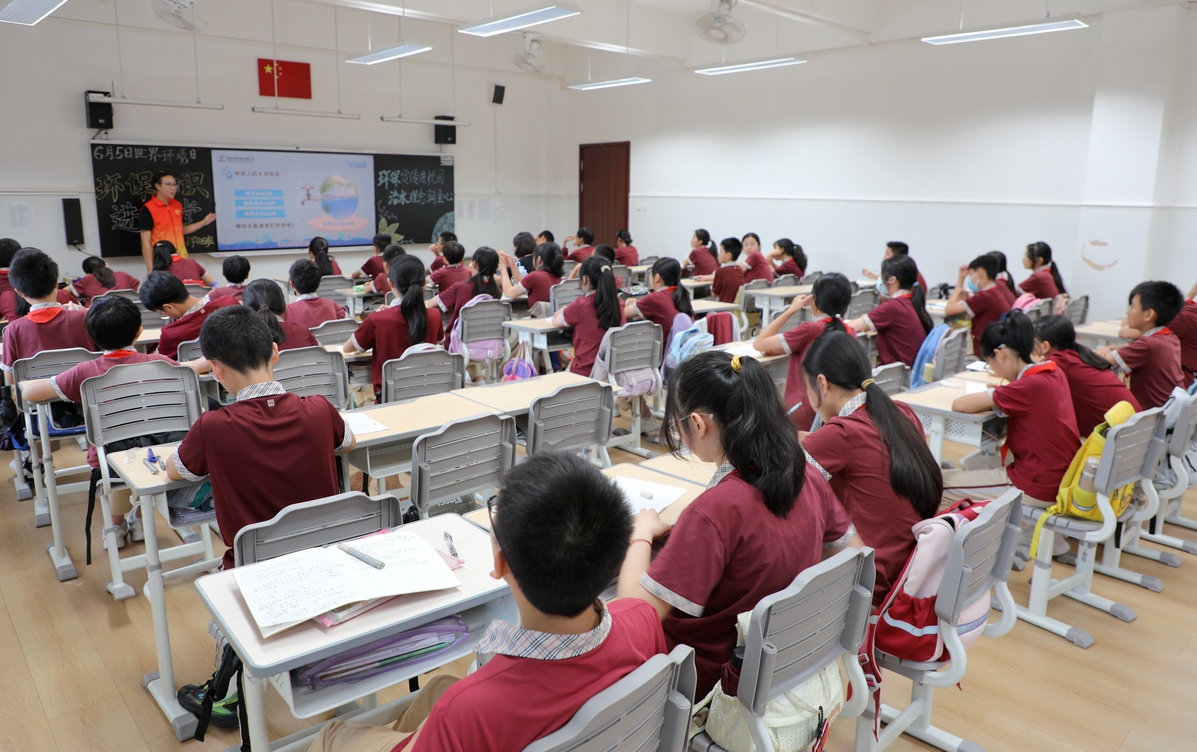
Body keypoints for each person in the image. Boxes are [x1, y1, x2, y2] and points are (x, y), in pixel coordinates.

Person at [308, 452, 667, 752]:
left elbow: (467, 714)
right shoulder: (642, 617)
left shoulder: (468, 711)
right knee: (438, 688)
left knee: (330, 735)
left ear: (499, 564)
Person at [617, 352, 857, 697]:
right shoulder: (806, 472)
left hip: (707, 678)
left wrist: (640, 534)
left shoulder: (714, 512)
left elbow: (636, 610)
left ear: (698, 424)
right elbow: (851, 552)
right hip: (777, 659)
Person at [166, 305, 353, 569]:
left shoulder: (212, 426)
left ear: (215, 369)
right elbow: (348, 442)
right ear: (275, 352)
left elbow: (175, 471)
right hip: (323, 554)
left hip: (254, 565)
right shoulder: (319, 409)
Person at [20, 294, 200, 542]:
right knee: (140, 448)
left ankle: (115, 529)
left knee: (118, 455)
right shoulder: (160, 363)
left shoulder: (86, 372)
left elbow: (30, 392)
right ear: (139, 332)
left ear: (91, 338)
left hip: (110, 459)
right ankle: (138, 517)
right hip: (163, 452)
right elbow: (190, 369)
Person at [800, 331, 942, 606]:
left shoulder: (841, 433)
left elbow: (777, 481)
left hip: (871, 579)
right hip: (909, 564)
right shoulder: (900, 412)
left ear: (821, 383)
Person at [948, 312, 1080, 557]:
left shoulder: (1027, 387)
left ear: (1000, 355)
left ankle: (972, 556)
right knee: (970, 464)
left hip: (1035, 483)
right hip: (1061, 477)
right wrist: (1001, 391)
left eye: (991, 363)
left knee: (941, 487)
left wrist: (996, 393)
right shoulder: (1052, 372)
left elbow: (960, 404)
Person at [753, 272, 855, 432]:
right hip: (831, 411)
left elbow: (759, 343)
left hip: (799, 412)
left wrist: (791, 310)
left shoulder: (810, 330)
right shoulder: (849, 331)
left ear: (815, 300)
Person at [344, 256, 443, 396]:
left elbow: (347, 348)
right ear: (424, 283)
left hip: (390, 397)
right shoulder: (434, 315)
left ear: (390, 283)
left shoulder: (377, 319)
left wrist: (384, 315)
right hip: (426, 392)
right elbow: (437, 342)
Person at [1033, 315, 1141, 438]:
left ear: (1045, 346)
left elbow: (1027, 384)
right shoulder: (1078, 354)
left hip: (1118, 439)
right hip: (1134, 432)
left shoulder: (1059, 362)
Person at [0, 248, 93, 383]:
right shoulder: (85, 318)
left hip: (38, 401)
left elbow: (11, 379)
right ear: (56, 283)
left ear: (20, 292)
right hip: (84, 394)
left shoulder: (14, 329)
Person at [1096, 280, 1186, 409]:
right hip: (1169, 415)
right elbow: (1130, 348)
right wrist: (1108, 347)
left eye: (1132, 307)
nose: (1127, 312)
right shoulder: (1169, 337)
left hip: (1152, 420)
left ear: (1148, 315)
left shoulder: (1148, 344)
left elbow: (1103, 361)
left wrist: (1102, 351)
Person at [847, 254, 932, 367]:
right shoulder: (912, 301)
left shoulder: (893, 307)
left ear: (892, 280)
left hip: (897, 373)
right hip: (907, 373)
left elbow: (851, 326)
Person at [139, 270, 238, 359]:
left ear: (169, 307)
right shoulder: (230, 303)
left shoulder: (171, 333)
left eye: (162, 312)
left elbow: (160, 362)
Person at [552, 255, 623, 377]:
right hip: (612, 374)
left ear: (584, 279)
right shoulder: (619, 304)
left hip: (584, 374)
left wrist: (565, 309)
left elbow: (556, 321)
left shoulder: (580, 305)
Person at [137, 171, 215, 270]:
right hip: (162, 261)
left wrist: (204, 222)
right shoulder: (148, 209)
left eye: (174, 184)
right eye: (168, 185)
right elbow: (145, 242)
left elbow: (180, 230)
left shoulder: (177, 205)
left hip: (181, 259)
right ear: (158, 186)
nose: (173, 188)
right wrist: (150, 268)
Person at [943, 254, 1015, 357]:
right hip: (994, 349)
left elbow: (948, 310)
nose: (970, 281)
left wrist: (959, 284)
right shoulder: (995, 292)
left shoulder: (984, 297)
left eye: (971, 275)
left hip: (982, 353)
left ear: (980, 273)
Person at [433, 246, 500, 337]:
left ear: (475, 264)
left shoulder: (460, 287)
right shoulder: (497, 291)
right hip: (487, 342)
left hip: (458, 341)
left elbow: (430, 304)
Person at [242, 279, 318, 352]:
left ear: (245, 309)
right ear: (284, 306)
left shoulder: (240, 341)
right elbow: (324, 358)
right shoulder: (302, 332)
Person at [623, 257, 693, 331]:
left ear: (657, 278)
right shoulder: (682, 293)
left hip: (664, 342)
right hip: (680, 341)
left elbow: (624, 313)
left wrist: (629, 303)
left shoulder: (655, 298)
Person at [286, 259, 348, 329]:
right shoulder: (332, 305)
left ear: (292, 284)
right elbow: (349, 324)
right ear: (319, 284)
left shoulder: (287, 311)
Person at [498, 243, 563, 308]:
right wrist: (512, 265)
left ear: (539, 259)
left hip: (538, 317)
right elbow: (523, 284)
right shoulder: (559, 278)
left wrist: (503, 267)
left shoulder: (535, 276)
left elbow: (509, 292)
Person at [695, 237, 745, 305]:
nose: (718, 254)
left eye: (721, 251)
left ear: (728, 255)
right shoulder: (739, 269)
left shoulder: (721, 271)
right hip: (735, 306)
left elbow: (714, 294)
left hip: (722, 307)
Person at [862, 241, 927, 292]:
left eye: (887, 254)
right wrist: (869, 275)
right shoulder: (910, 270)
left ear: (896, 257)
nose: (884, 257)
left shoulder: (903, 275)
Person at [70, 256, 139, 302]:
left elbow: (65, 291)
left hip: (98, 319)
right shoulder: (124, 276)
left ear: (88, 274)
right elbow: (141, 288)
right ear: (107, 265)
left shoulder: (88, 279)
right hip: (126, 316)